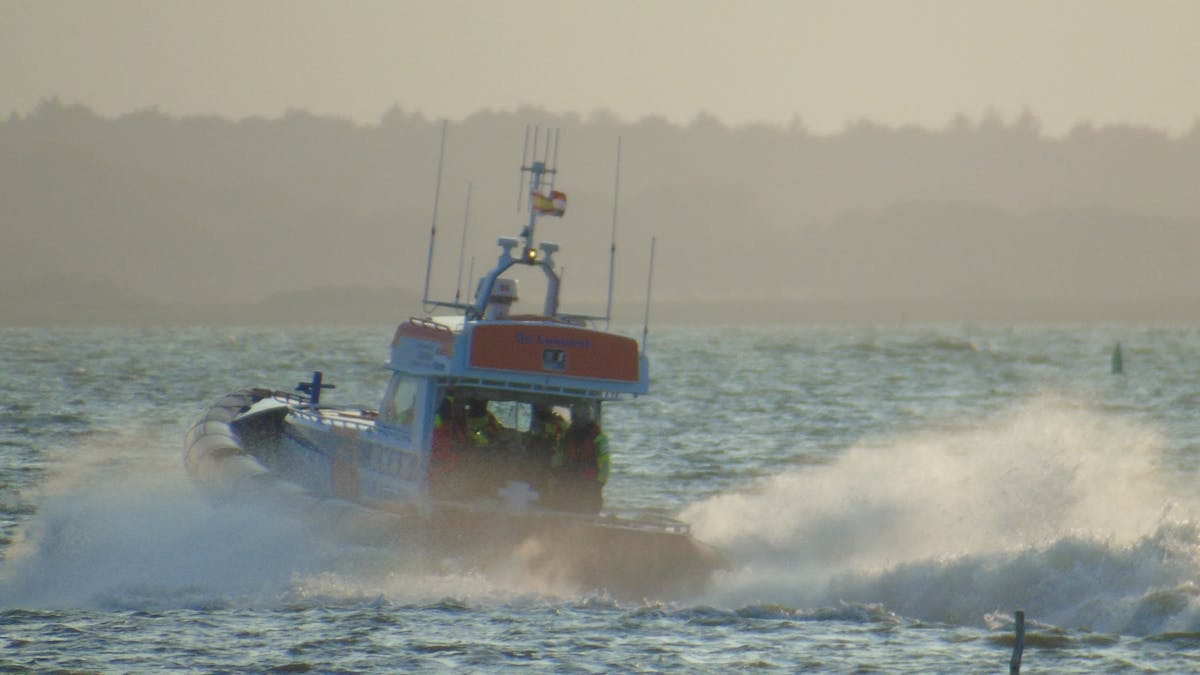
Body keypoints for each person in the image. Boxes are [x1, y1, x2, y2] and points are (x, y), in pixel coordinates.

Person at [549, 401, 609, 513]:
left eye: (578, 417)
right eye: (575, 418)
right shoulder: (567, 435)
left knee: (588, 509)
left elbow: (604, 462)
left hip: (589, 482)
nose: (576, 421)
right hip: (569, 480)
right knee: (565, 507)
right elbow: (559, 455)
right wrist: (556, 472)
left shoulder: (599, 437)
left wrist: (599, 483)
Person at [429, 393, 468, 498]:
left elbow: (462, 444)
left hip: (447, 463)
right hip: (442, 463)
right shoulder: (443, 426)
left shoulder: (453, 427)